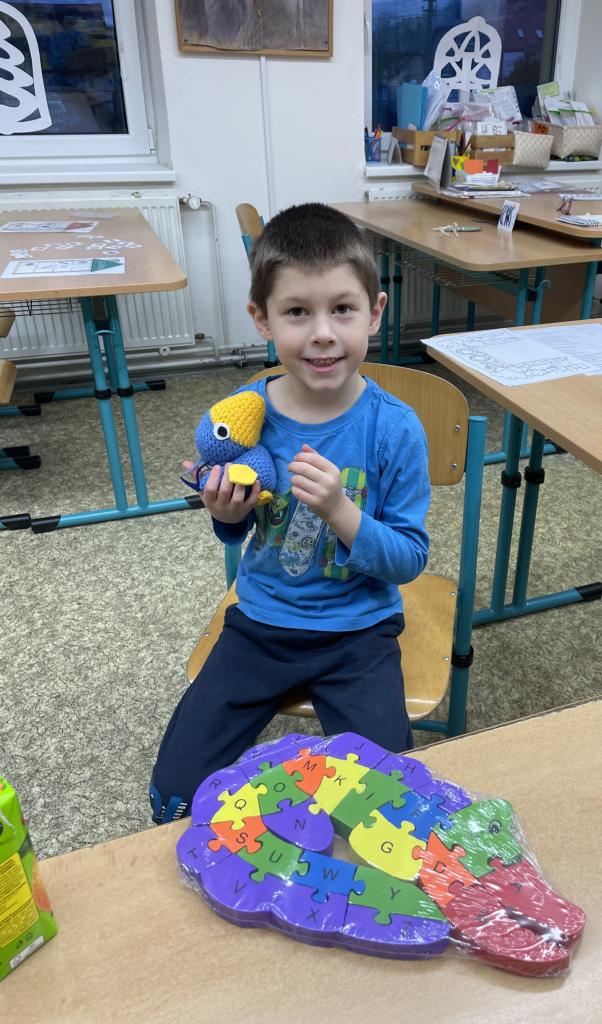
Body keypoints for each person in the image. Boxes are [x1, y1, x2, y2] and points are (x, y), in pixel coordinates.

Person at [149, 203, 430, 823]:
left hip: (359, 631)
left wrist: (339, 509)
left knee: (389, 808)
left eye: (343, 309)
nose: (322, 333)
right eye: (297, 312)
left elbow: (409, 559)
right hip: (262, 623)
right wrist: (225, 512)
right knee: (173, 799)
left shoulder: (395, 428)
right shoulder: (248, 412)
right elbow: (238, 530)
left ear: (375, 312)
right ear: (262, 318)